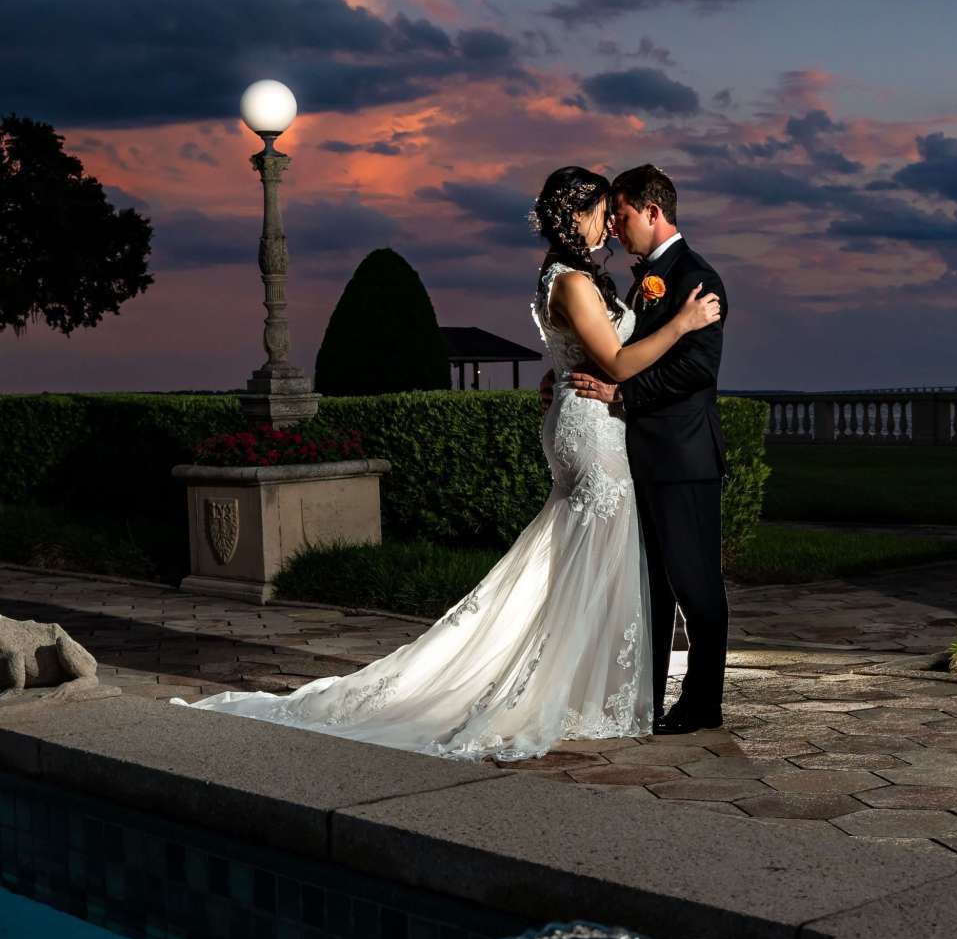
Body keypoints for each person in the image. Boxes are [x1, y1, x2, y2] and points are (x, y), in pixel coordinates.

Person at [173, 166, 720, 760]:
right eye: (602, 213)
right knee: (595, 556)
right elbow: (613, 360)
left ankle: (607, 686)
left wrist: (561, 378)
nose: (610, 224)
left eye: (617, 213)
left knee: (587, 560)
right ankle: (579, 690)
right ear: (578, 216)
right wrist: (680, 325)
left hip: (592, 426)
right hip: (594, 436)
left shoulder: (593, 278)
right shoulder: (576, 282)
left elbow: (599, 354)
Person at [553, 165, 730, 734]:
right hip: (635, 459)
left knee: (696, 586)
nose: (615, 228)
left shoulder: (699, 279)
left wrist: (621, 391)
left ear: (652, 213)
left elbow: (696, 370)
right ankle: (644, 701)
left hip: (682, 458)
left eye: (622, 215)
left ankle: (703, 703)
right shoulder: (638, 281)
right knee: (648, 588)